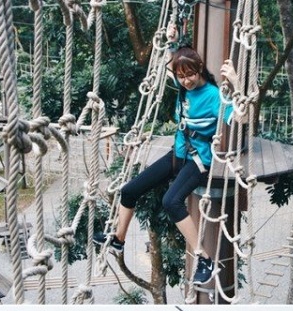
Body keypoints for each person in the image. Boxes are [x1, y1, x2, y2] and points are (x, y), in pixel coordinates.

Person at [96, 25, 240, 285]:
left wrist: (237, 84)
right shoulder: (182, 85)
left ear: (199, 70)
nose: (186, 81)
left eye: (190, 75)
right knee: (129, 191)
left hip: (200, 159)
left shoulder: (214, 96)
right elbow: (169, 62)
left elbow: (242, 117)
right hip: (179, 153)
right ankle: (118, 240)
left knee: (170, 201)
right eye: (181, 77)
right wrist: (172, 43)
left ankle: (205, 259)